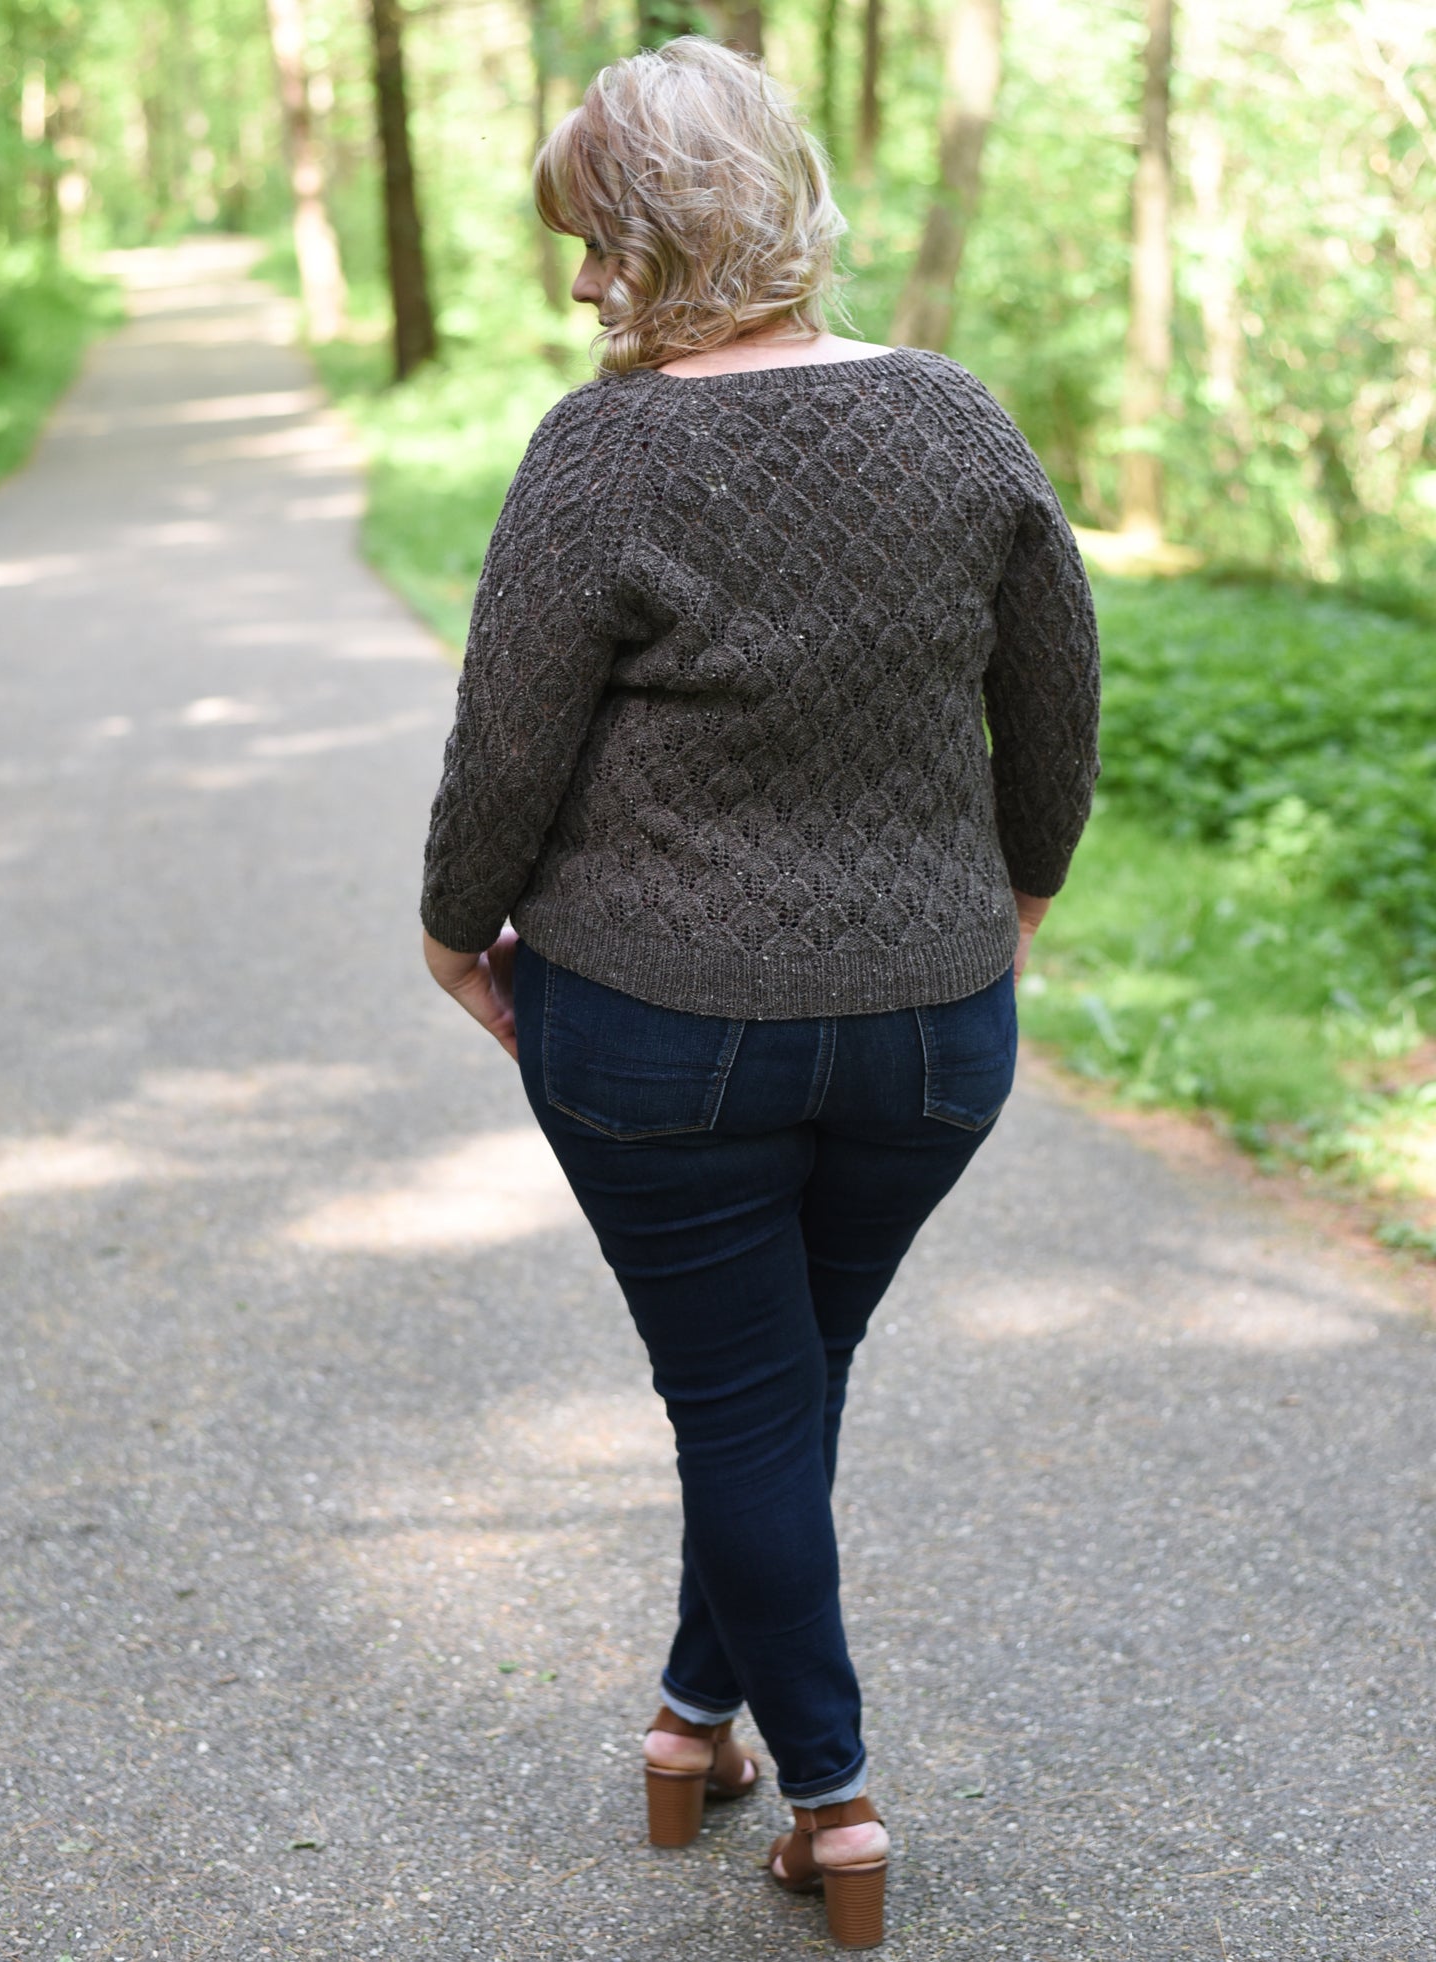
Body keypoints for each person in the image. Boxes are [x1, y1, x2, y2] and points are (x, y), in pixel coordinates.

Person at [420, 35, 1099, 1951]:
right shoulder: (959, 420)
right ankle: (684, 1722)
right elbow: (1056, 691)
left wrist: (455, 928)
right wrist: (1019, 891)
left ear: (655, 240)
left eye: (592, 249)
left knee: (739, 1400)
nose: (576, 291)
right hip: (933, 1026)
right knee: (781, 1387)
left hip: (654, 1029)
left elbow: (505, 751)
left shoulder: (602, 448)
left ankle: (839, 1803)